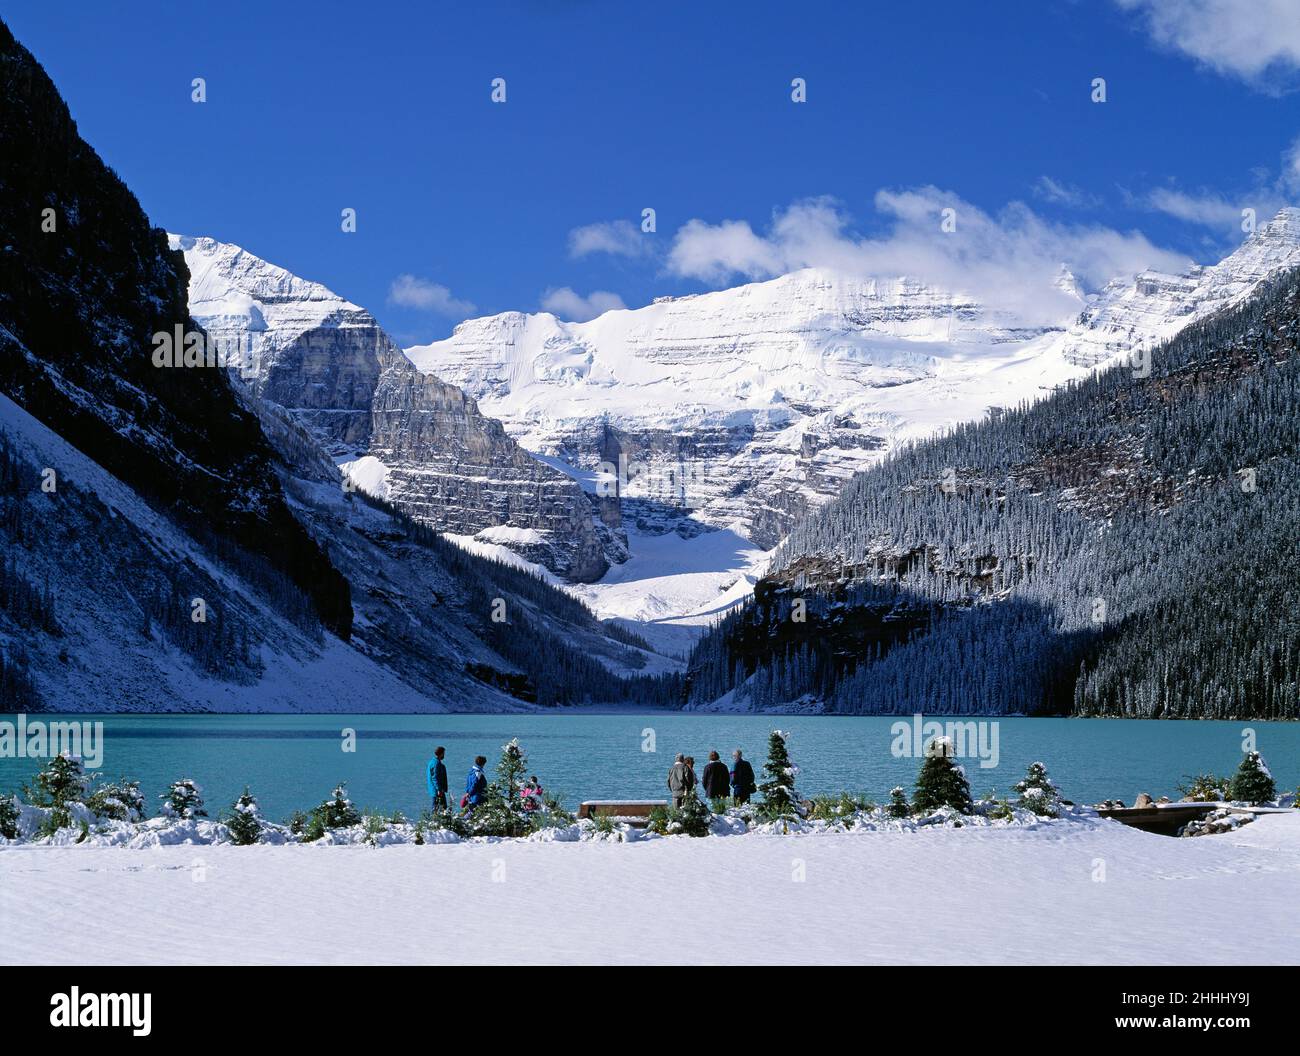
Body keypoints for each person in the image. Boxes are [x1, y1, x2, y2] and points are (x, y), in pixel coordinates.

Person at [427, 745, 448, 811]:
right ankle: (436, 820)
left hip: (434, 789)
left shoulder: (432, 762)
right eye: (443, 753)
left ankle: (436, 820)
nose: (444, 755)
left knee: (437, 807)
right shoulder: (436, 763)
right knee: (441, 807)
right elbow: (435, 777)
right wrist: (439, 789)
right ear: (441, 753)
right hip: (437, 790)